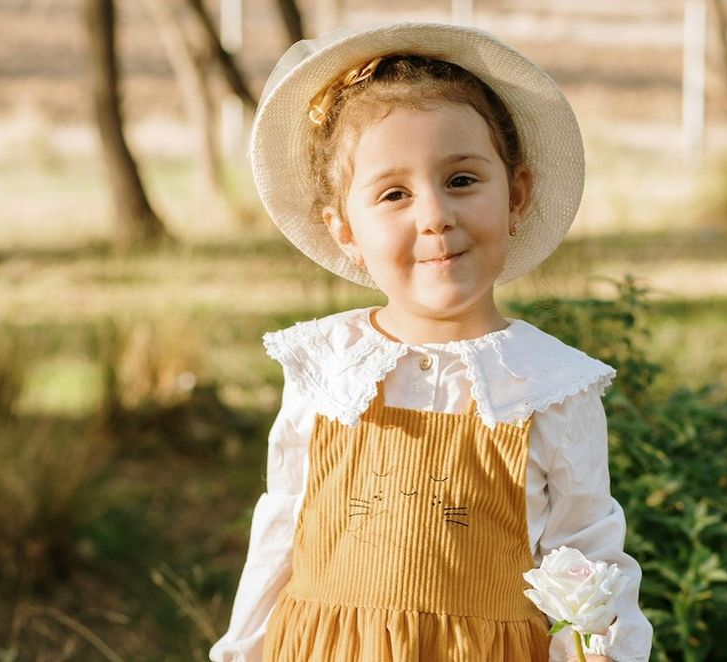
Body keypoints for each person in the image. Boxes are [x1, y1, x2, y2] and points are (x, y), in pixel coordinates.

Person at [210, 21, 653, 662]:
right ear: (345, 232)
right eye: (394, 193)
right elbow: (282, 528)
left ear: (516, 195)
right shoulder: (328, 368)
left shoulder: (549, 387)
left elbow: (587, 557)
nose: (434, 215)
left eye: (463, 180)